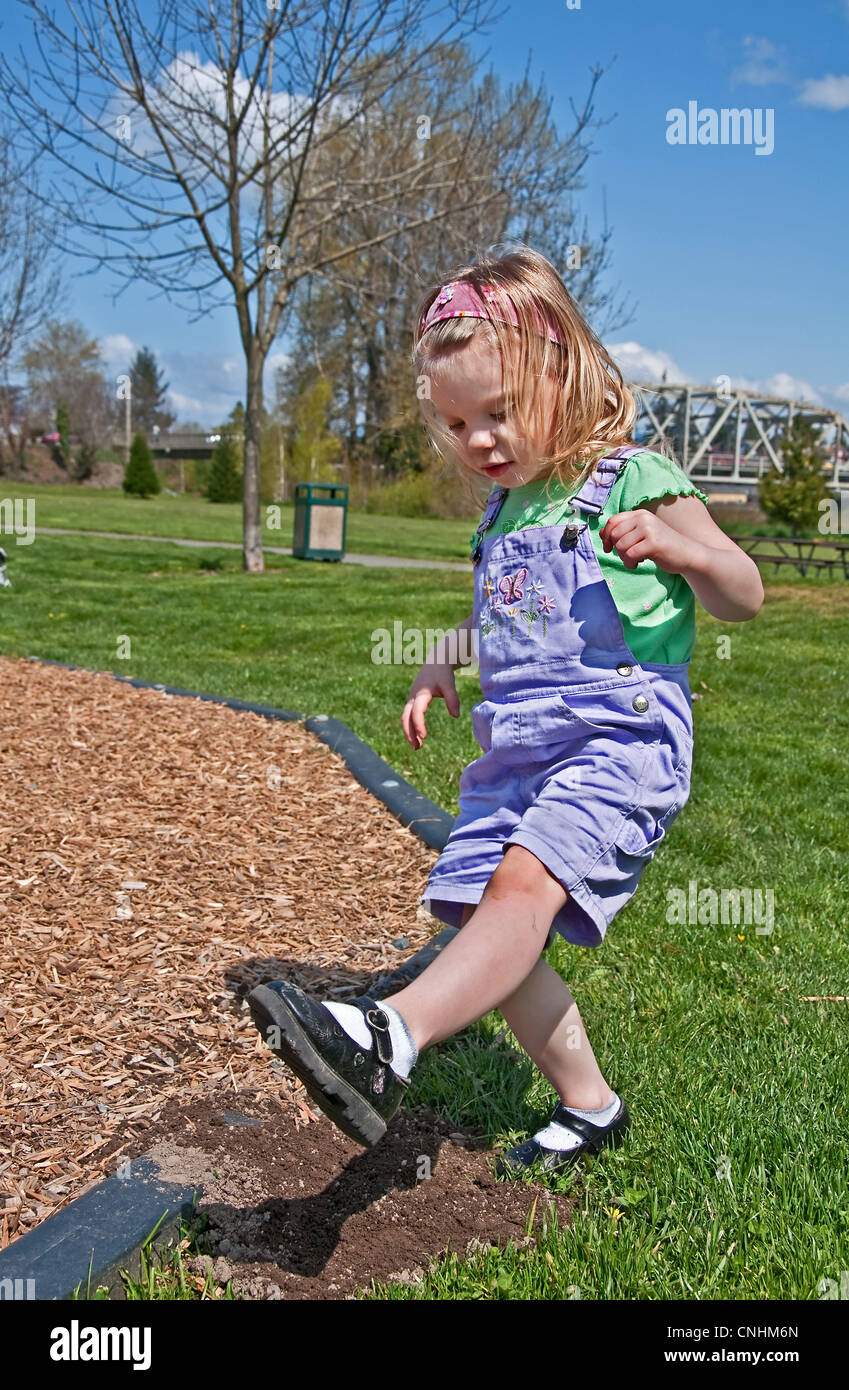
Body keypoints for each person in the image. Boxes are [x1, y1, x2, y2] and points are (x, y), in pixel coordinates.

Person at [248, 246, 764, 1175]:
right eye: (456, 423)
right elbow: (507, 618)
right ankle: (591, 1105)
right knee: (490, 917)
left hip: (619, 737)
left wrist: (684, 555)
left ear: (561, 371)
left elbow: (746, 593)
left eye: (497, 411)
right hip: (518, 748)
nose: (479, 440)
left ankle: (390, 1037)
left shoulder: (633, 477)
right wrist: (442, 659)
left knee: (522, 891)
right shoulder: (501, 512)